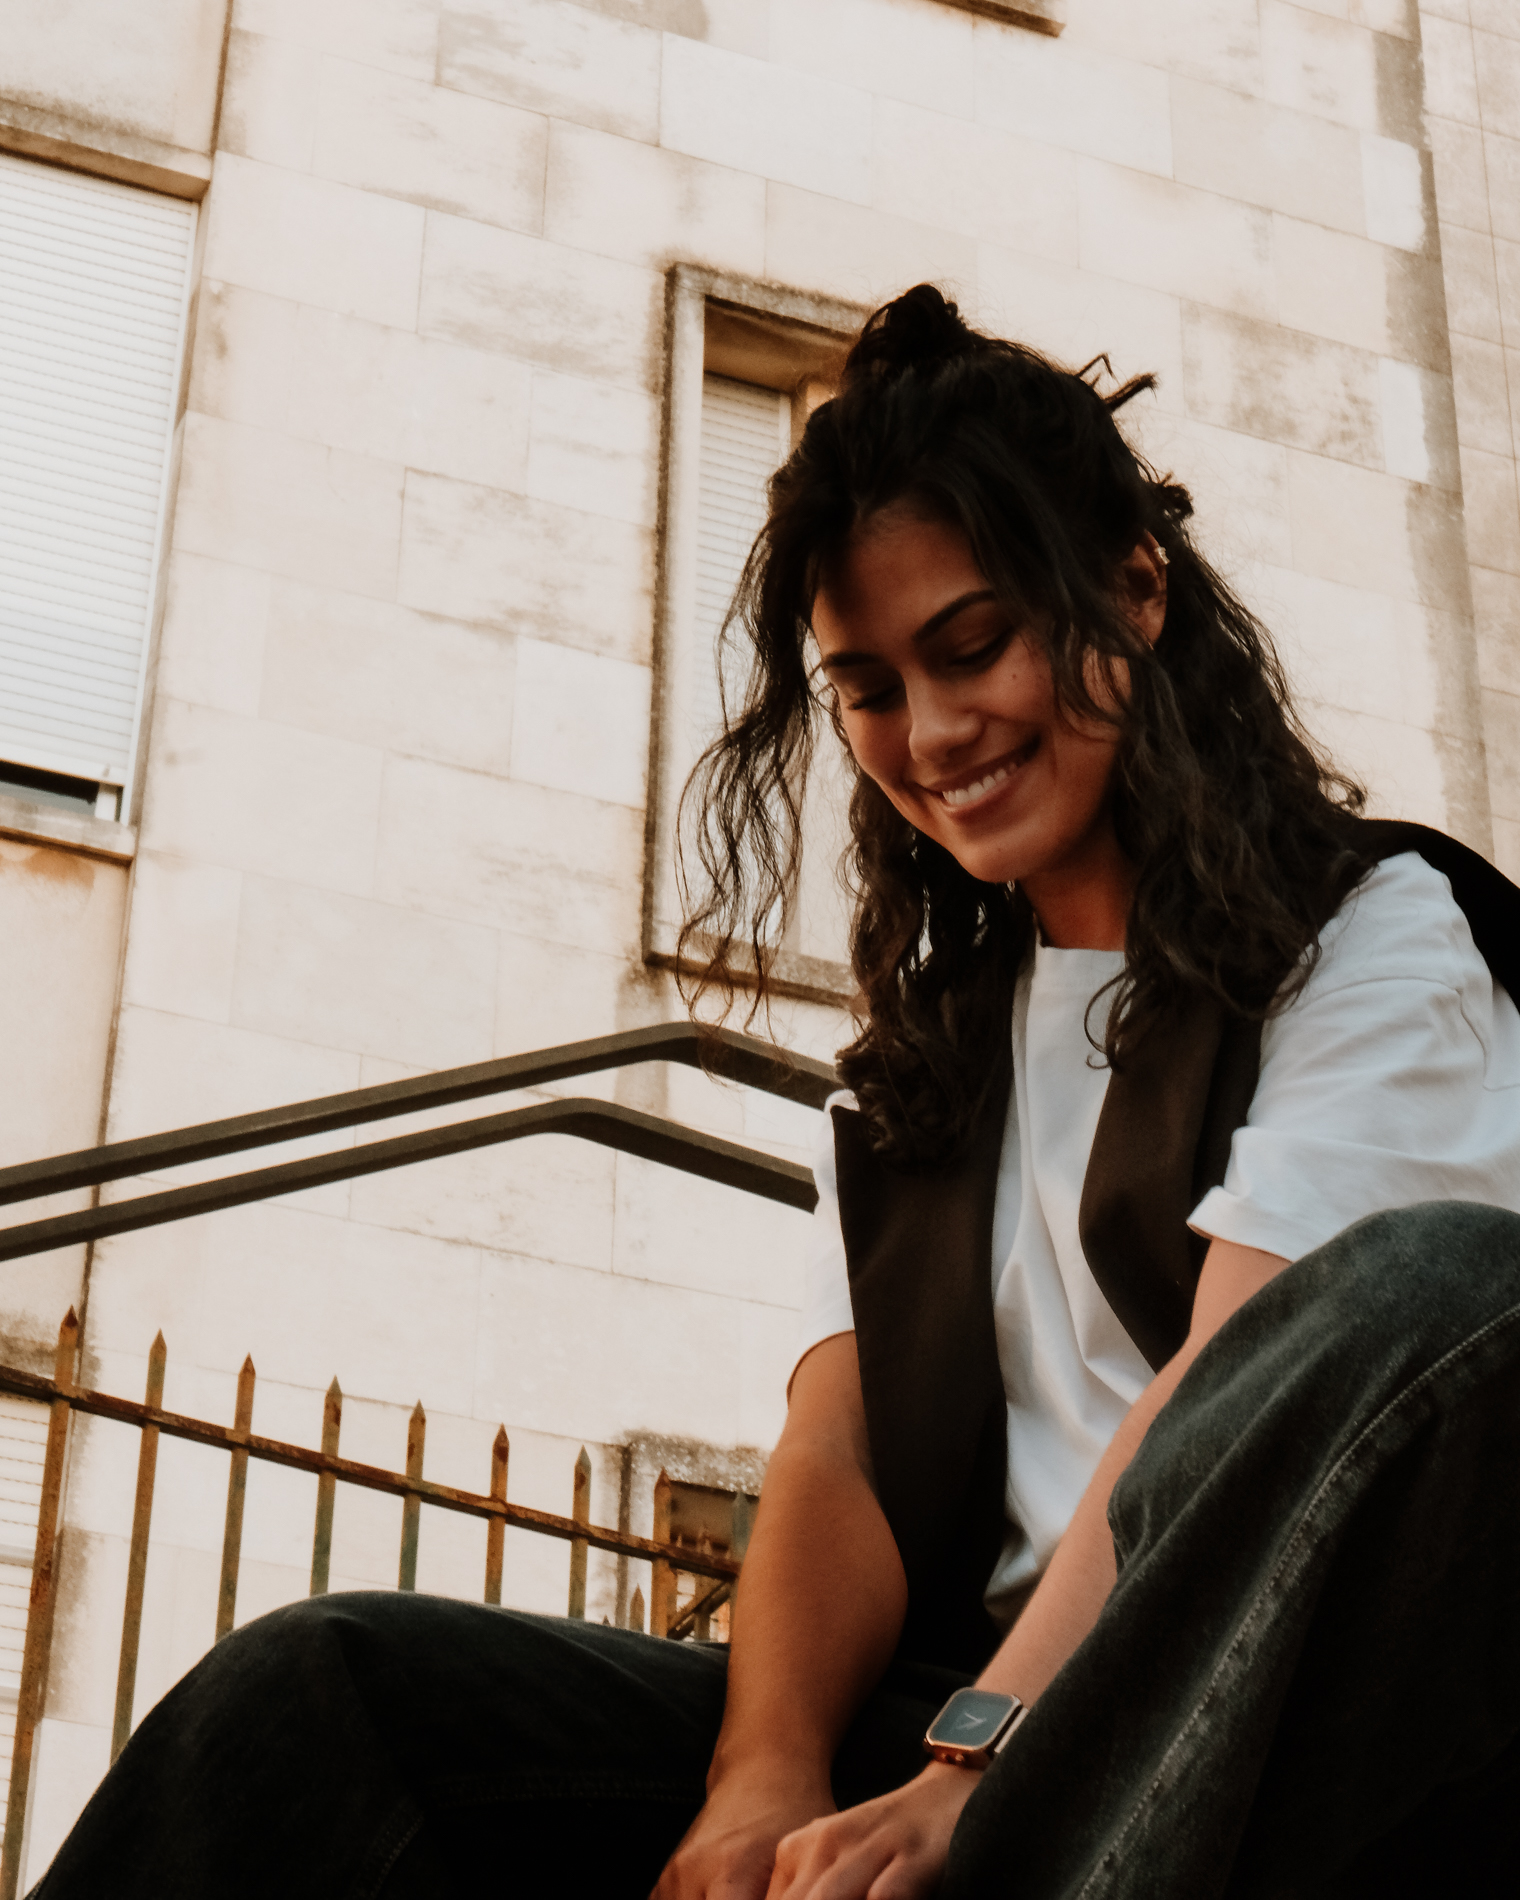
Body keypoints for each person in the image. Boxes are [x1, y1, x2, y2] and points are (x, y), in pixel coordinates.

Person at [31, 287, 1520, 1899]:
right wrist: (761, 1785)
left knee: (1435, 1288)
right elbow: (840, 1457)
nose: (932, 731)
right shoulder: (924, 1064)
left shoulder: (1372, 939)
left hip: (1218, 1720)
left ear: (1134, 592)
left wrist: (985, 1756)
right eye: (868, 686)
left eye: (972, 646)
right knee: (328, 1699)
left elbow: (1225, 1406)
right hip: (947, 1726)